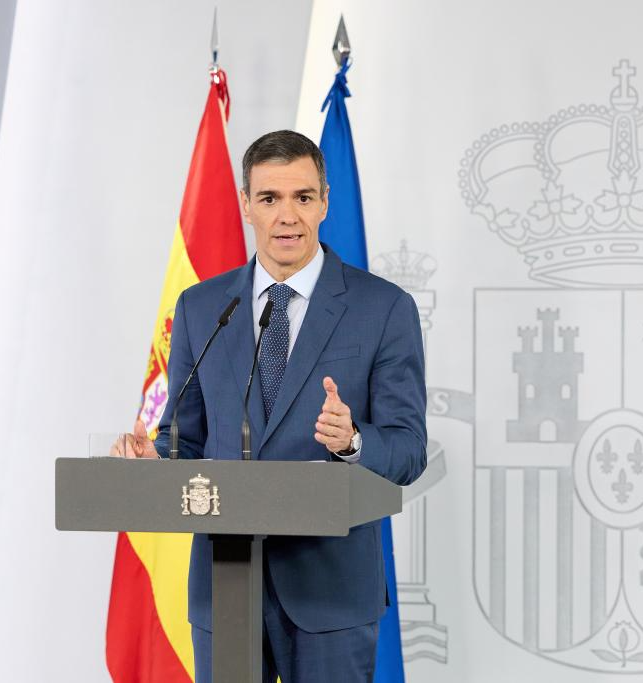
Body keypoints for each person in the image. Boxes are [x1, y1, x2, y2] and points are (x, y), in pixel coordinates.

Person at [116, 130, 427, 682]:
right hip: (225, 590)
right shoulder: (201, 308)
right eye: (269, 198)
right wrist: (154, 461)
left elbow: (408, 450)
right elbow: (184, 439)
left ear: (325, 202)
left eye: (303, 197)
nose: (287, 216)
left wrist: (354, 441)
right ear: (246, 205)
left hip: (331, 596)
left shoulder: (383, 308)